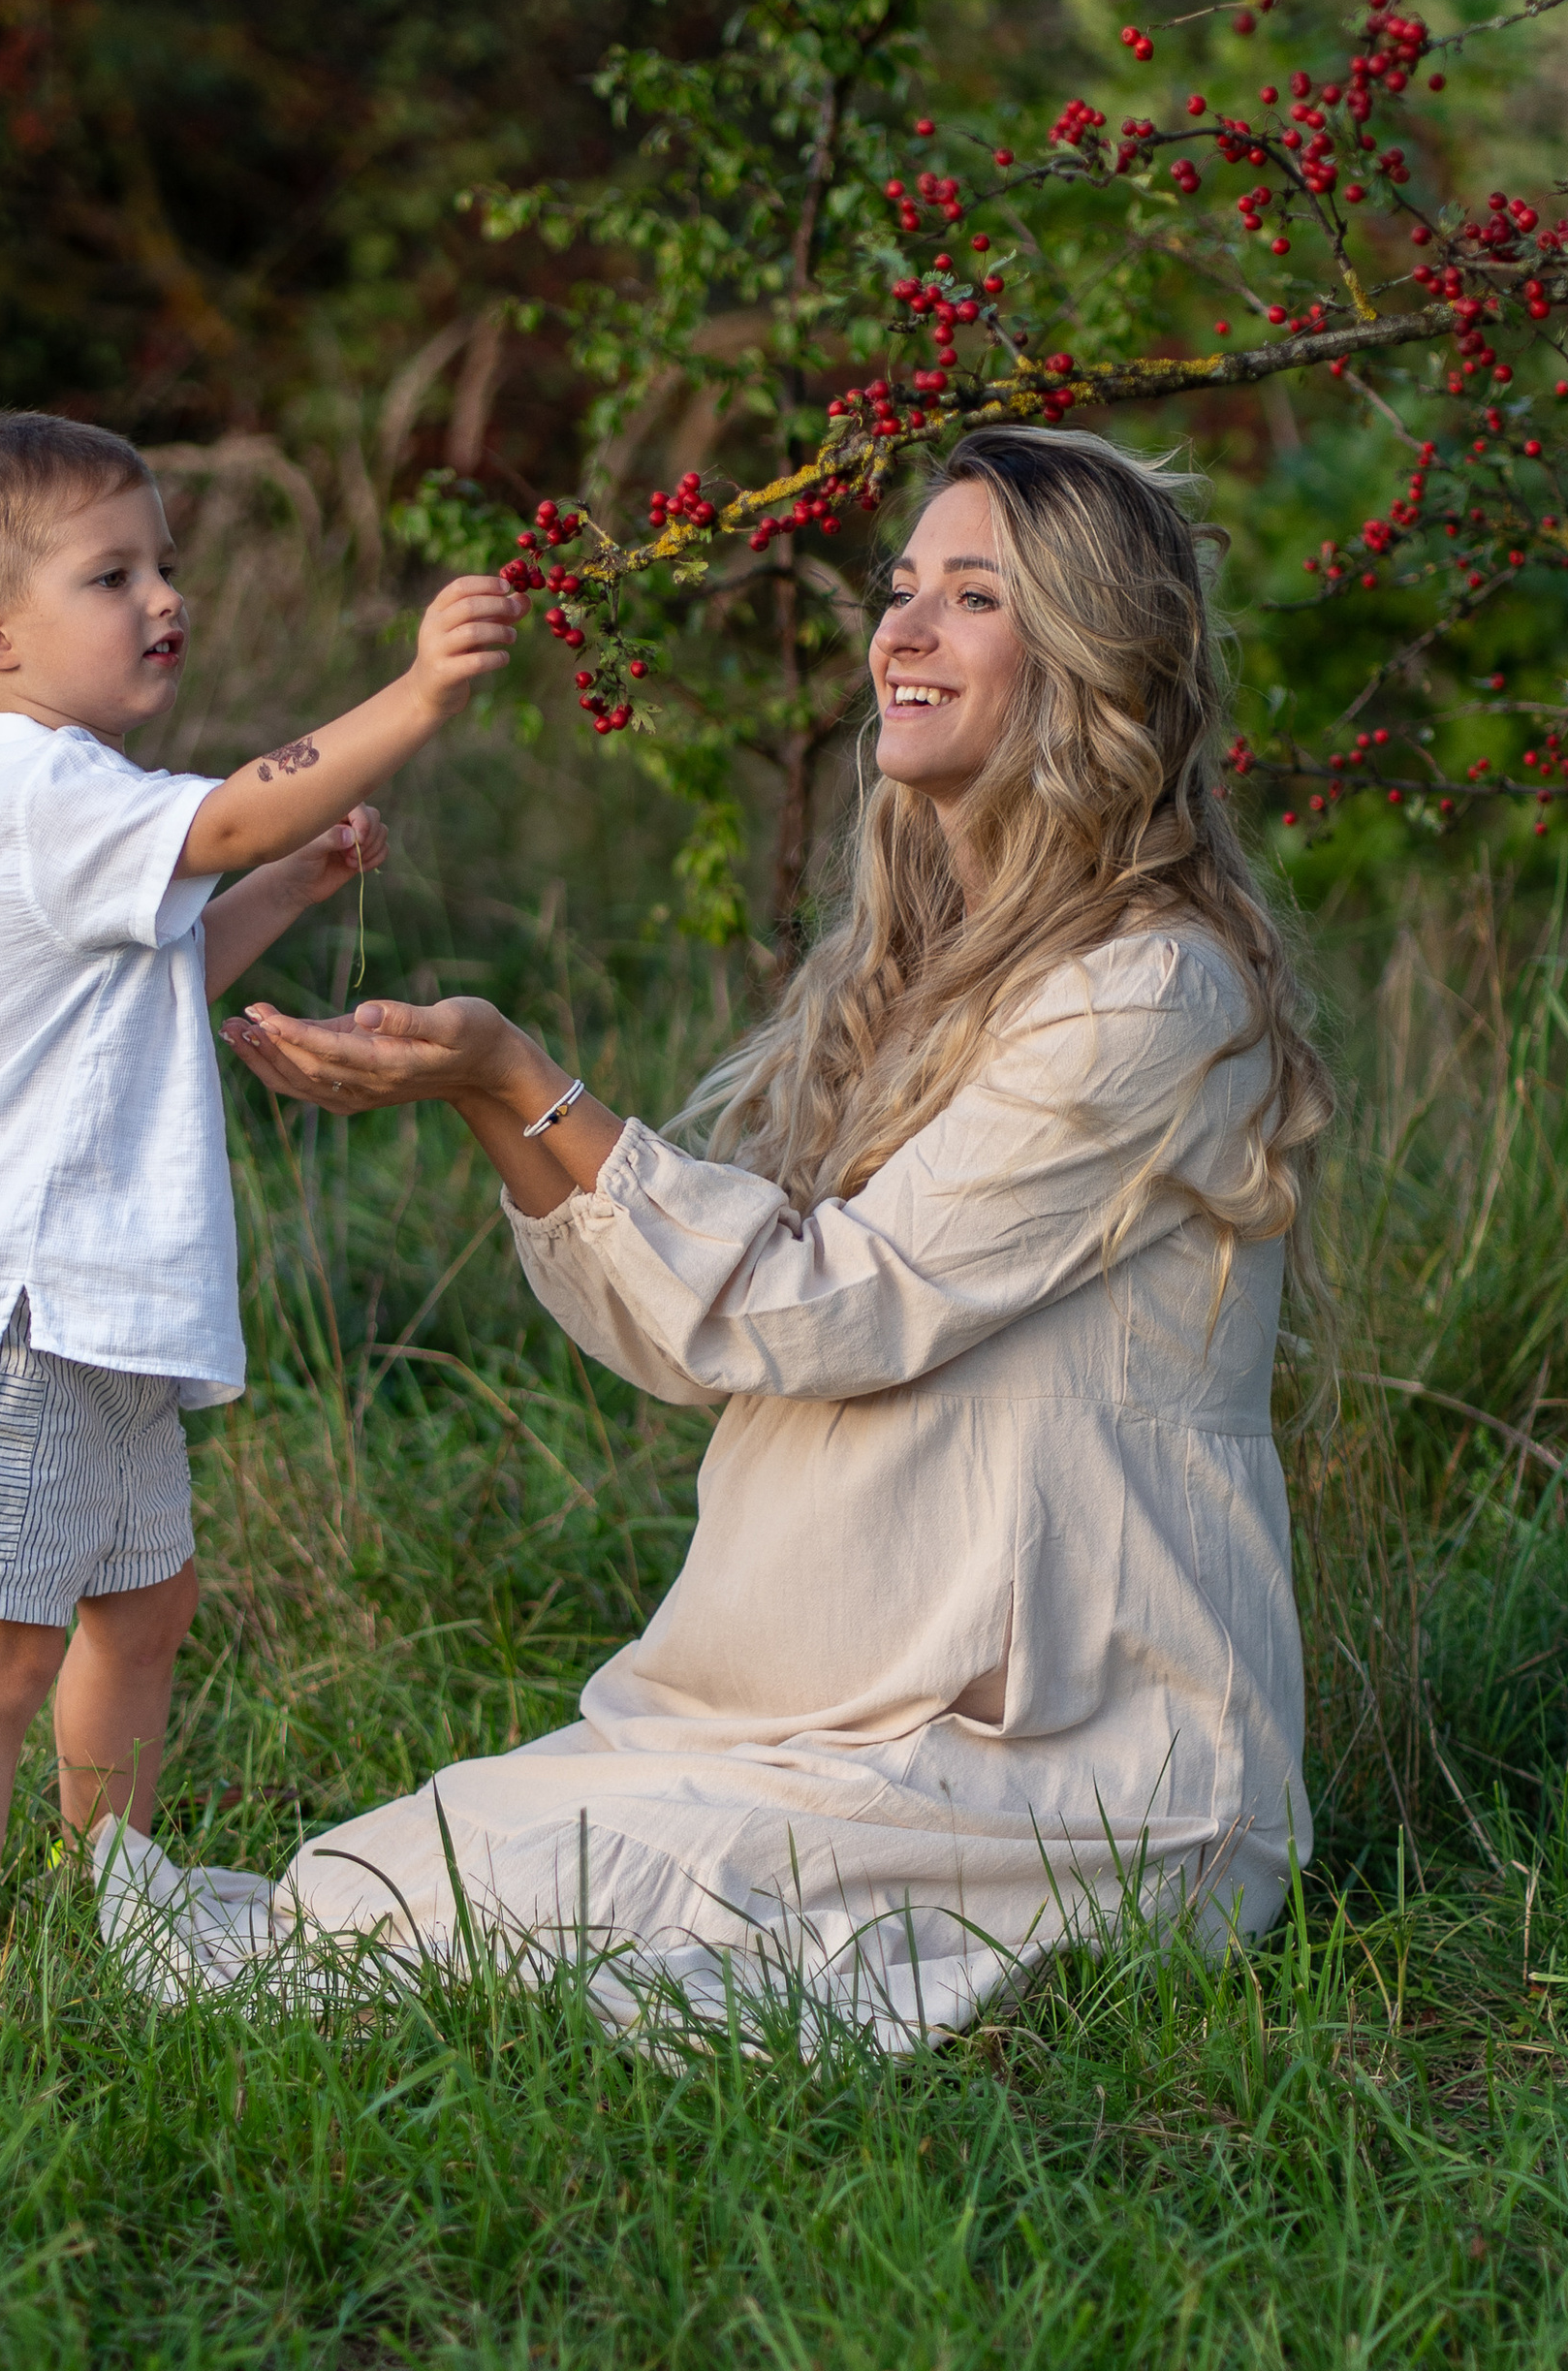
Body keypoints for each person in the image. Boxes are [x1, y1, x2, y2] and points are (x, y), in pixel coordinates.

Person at [214, 426, 1333, 2048]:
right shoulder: (939, 974)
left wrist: (519, 1072)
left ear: (1095, 663)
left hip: (1085, 1764)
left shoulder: (1147, 990)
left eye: (975, 597)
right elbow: (691, 1337)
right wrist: (482, 1097)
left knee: (444, 1945)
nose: (904, 630)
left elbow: (824, 1310)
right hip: (833, 1708)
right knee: (361, 1895)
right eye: (901, 591)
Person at [0, 410, 518, 1961]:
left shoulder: (85, 801)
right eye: (114, 574)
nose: (165, 597)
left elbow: (173, 953)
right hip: (13, 1310)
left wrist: (291, 883)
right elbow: (225, 813)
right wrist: (416, 695)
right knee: (0, 1663)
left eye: (166, 564)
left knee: (144, 1610)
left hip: (103, 1311)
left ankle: (114, 1893)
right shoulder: (37, 789)